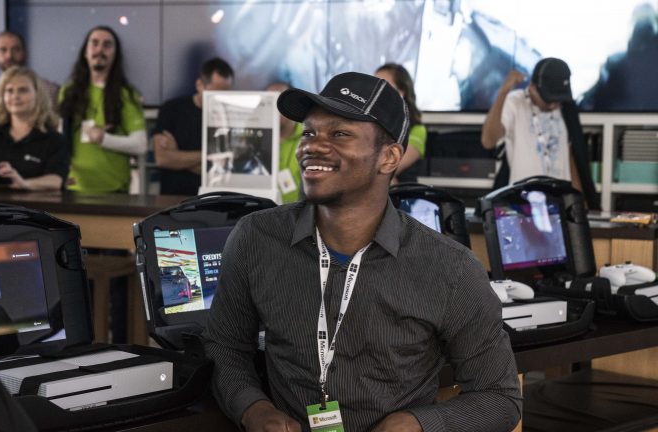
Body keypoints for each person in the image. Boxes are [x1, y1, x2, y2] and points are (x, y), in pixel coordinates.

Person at [204, 72, 521, 431]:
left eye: (339, 134)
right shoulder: (256, 238)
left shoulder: (450, 268)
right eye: (309, 132)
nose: (313, 146)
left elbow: (500, 398)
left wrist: (418, 424)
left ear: (389, 158)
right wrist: (253, 409)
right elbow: (225, 348)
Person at [481, 57, 599, 209]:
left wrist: (579, 203)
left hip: (560, 204)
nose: (553, 105)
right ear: (532, 86)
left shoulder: (566, 108)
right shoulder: (515, 102)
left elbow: (571, 156)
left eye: (558, 100)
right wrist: (503, 93)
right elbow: (488, 141)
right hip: (522, 204)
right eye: (548, 99)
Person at [58, 25, 146, 193]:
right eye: (94, 43)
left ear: (115, 55)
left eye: (107, 45)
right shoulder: (67, 92)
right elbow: (60, 138)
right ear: (85, 52)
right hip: (73, 188)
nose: (100, 49)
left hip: (114, 191)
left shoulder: (127, 94)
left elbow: (140, 145)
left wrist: (104, 139)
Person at [0, 66, 68, 191]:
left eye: (23, 90)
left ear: (38, 94)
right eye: (9, 91)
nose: (15, 96)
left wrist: (24, 184)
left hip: (32, 209)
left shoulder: (54, 139)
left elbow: (56, 180)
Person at [153, 58, 234, 196]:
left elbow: (225, 170)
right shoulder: (171, 109)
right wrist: (210, 155)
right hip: (172, 199)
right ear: (199, 85)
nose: (220, 99)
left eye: (226, 93)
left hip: (214, 199)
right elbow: (163, 159)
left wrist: (178, 155)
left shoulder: (231, 117)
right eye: (215, 93)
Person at [0, 31, 59, 139]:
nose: (9, 56)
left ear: (25, 53)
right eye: (3, 50)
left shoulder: (51, 91)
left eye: (16, 49)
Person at [374, 63, 426, 183]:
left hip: (404, 195)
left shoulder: (417, 129)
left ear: (402, 92)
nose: (376, 91)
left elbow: (391, 169)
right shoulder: (368, 123)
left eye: (383, 86)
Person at [267, 82, 303, 203]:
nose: (277, 108)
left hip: (299, 215)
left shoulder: (309, 138)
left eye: (281, 102)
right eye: (271, 102)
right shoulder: (256, 142)